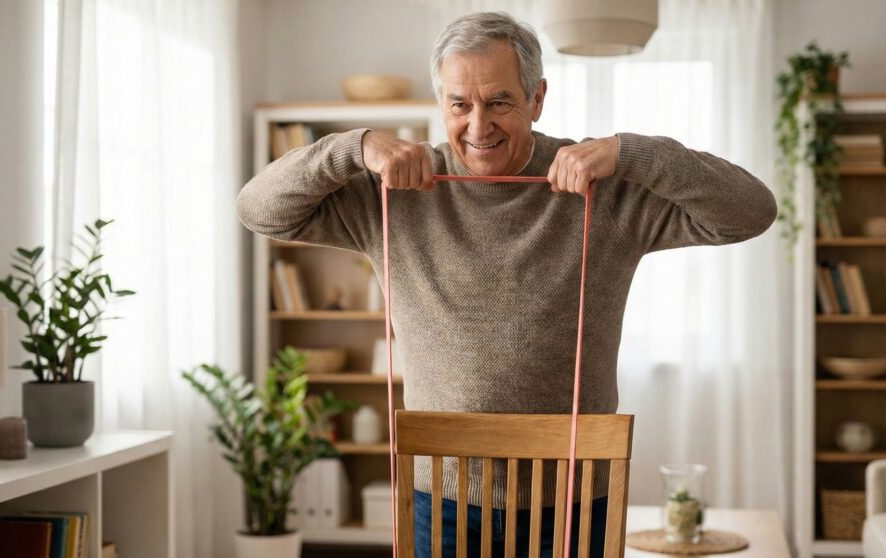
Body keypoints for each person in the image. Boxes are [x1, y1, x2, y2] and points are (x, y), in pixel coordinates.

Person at [237, 11, 777, 558]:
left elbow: (750, 212)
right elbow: (258, 210)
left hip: (572, 496)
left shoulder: (602, 186)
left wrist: (632, 153)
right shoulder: (395, 188)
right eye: (459, 104)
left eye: (498, 102)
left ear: (536, 99)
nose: (477, 125)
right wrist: (353, 148)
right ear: (441, 102)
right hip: (439, 496)